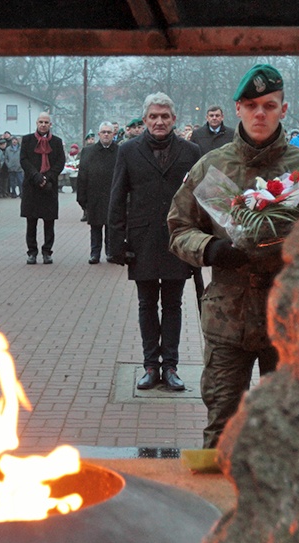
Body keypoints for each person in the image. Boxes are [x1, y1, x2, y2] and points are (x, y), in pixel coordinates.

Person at [168, 64, 299, 448]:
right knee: (222, 428)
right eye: (251, 105)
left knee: (289, 432)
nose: (260, 114)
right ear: (237, 108)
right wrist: (211, 249)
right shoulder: (212, 166)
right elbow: (178, 228)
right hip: (228, 319)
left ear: (283, 110)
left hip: (287, 317)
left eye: (269, 106)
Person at [108, 92, 201, 392]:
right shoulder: (128, 150)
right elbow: (118, 196)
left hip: (177, 240)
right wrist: (116, 243)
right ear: (145, 119)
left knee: (173, 305)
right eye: (153, 116)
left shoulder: (191, 151)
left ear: (174, 119)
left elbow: (201, 197)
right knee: (147, 304)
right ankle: (150, 366)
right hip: (142, 239)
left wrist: (201, 241)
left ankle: (170, 366)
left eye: (164, 116)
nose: (159, 121)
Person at [20, 112, 64, 264]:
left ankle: (47, 252)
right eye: (41, 122)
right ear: (36, 123)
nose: (43, 125)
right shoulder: (27, 140)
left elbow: (60, 162)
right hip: (32, 186)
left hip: (49, 187)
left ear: (50, 124)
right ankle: (32, 252)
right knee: (31, 221)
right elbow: (24, 160)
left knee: (49, 221)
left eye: (46, 122)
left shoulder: (57, 142)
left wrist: (48, 177)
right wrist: (36, 176)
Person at [76, 122, 118, 264]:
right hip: (94, 196)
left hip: (113, 196)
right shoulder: (88, 152)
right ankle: (95, 253)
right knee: (95, 227)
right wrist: (81, 197)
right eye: (103, 132)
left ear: (113, 134)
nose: (106, 134)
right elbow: (82, 175)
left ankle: (111, 253)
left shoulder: (120, 151)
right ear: (99, 134)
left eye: (109, 132)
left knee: (111, 227)